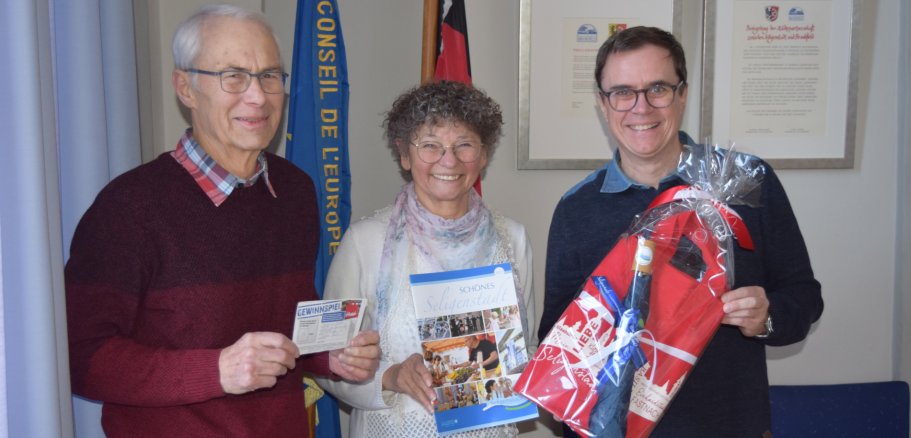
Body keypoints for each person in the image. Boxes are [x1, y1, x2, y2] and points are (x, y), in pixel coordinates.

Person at [65, 5, 380, 437]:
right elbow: (80, 358)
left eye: (270, 76)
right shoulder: (127, 208)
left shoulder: (295, 191)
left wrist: (329, 357)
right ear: (186, 88)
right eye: (233, 76)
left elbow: (287, 330)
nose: (257, 96)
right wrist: (215, 370)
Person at [539, 26, 823, 437]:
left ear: (682, 94)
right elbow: (556, 336)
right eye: (622, 92)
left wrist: (766, 317)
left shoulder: (747, 182)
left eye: (658, 88)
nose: (641, 108)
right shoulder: (578, 208)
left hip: (729, 425)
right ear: (603, 104)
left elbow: (804, 297)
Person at [315, 80, 536, 437]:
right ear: (404, 155)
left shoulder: (513, 238)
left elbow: (525, 350)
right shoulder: (365, 242)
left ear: (483, 155)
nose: (449, 160)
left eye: (464, 144)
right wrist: (391, 376)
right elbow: (323, 362)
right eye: (430, 145)